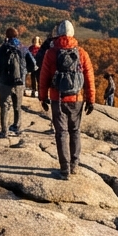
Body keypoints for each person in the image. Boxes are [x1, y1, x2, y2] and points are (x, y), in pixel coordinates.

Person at [38, 20, 96, 179]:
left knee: (61, 133)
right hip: (76, 98)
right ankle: (74, 165)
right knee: (75, 131)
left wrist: (42, 97)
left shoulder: (51, 53)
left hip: (58, 98)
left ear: (58, 33)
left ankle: (65, 170)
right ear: (72, 33)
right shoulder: (81, 52)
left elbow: (43, 77)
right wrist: (91, 99)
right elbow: (89, 78)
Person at [0, 27, 39, 137]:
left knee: (4, 106)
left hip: (4, 81)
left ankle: (4, 130)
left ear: (6, 36)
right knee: (17, 106)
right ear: (17, 35)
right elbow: (33, 65)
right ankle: (17, 127)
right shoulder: (23, 48)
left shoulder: (1, 49)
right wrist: (25, 72)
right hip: (19, 81)